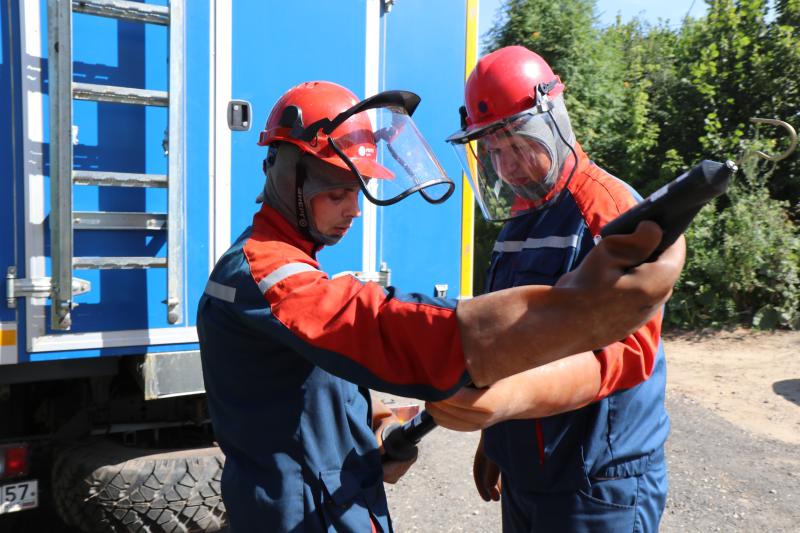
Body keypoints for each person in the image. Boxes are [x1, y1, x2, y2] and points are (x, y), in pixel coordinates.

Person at [196, 80, 685, 532]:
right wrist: (582, 309)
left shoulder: (290, 264)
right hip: (301, 515)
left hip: (590, 475)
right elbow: (380, 325)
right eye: (340, 192)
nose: (354, 208)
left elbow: (314, 370)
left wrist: (377, 421)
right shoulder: (266, 272)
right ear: (287, 177)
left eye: (359, 190)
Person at [430, 45, 676, 532]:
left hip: (597, 482)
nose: (508, 166)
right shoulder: (519, 220)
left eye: (518, 143)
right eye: (494, 151)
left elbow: (628, 355)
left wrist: (506, 403)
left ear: (554, 119)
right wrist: (498, 439)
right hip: (532, 471)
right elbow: (512, 341)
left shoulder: (610, 213)